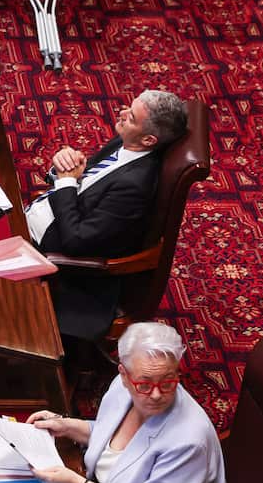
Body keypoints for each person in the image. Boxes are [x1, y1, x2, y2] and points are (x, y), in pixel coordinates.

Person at [26, 90, 188, 339]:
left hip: (46, 253)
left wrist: (67, 182)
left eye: (131, 117)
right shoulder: (125, 142)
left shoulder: (134, 187)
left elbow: (76, 241)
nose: (121, 114)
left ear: (149, 141)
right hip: (35, 218)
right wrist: (62, 170)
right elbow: (84, 182)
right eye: (128, 107)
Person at [27, 321, 227, 483]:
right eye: (145, 384)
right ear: (124, 375)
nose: (156, 394)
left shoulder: (189, 442)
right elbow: (111, 438)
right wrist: (66, 426)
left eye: (167, 382)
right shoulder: (122, 388)